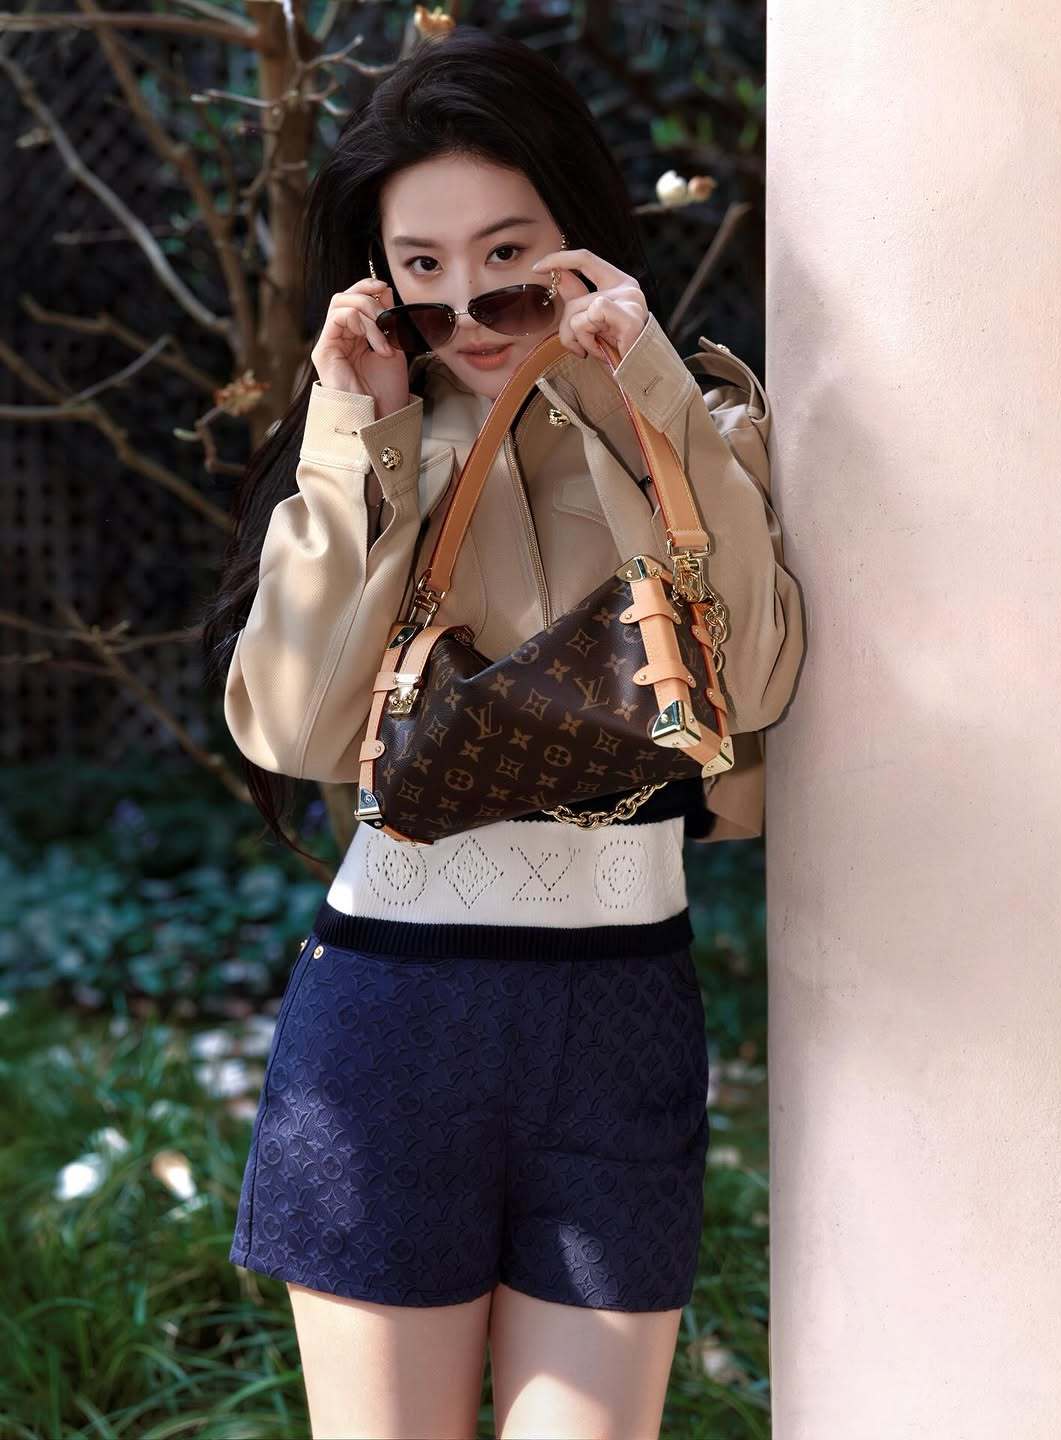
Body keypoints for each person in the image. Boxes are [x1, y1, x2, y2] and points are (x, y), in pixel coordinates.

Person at [200, 24, 803, 1440]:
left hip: (621, 1021)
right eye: (422, 267)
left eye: (507, 252)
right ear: (379, 277)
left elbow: (757, 681)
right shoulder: (377, 442)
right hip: (391, 1023)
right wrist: (355, 443)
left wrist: (646, 393)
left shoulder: (691, 428)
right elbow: (291, 726)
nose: (469, 304)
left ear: (577, 237)